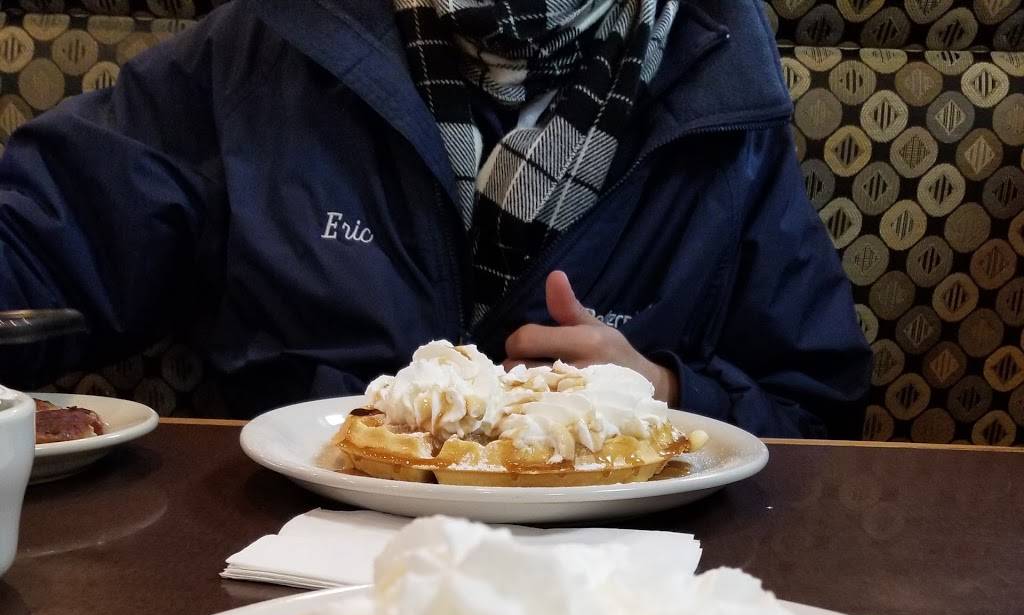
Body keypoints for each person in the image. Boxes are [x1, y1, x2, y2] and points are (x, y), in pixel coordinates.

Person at [0, 0, 870, 436]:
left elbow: (817, 408)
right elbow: (44, 239)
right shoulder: (270, 43)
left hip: (622, 603)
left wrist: (663, 398)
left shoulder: (719, 85)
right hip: (292, 589)